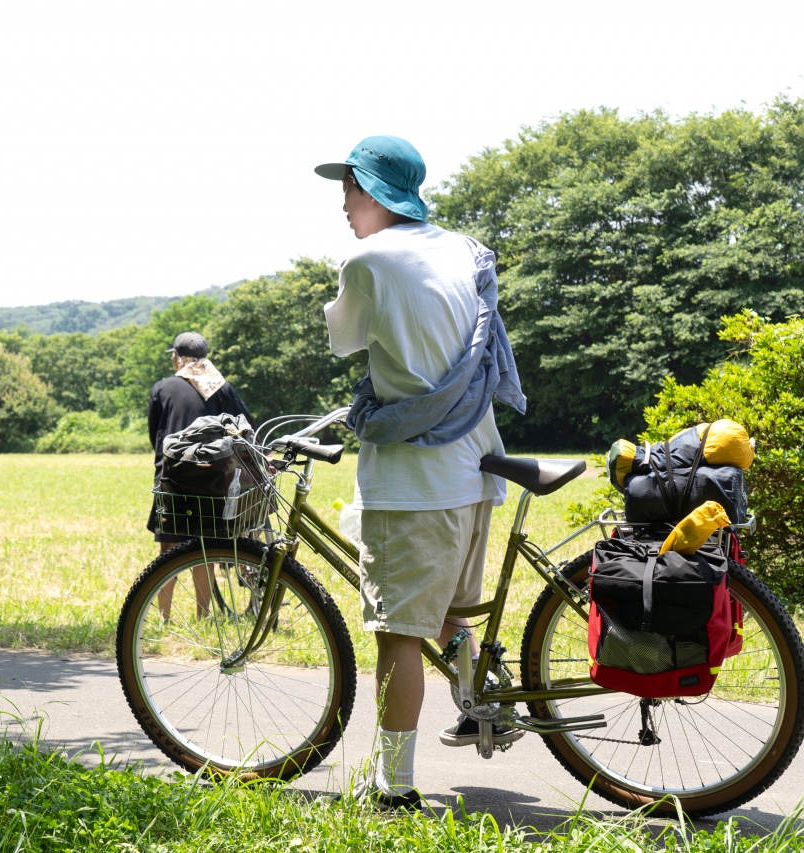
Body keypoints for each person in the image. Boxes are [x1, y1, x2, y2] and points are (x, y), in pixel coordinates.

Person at [314, 135, 527, 810]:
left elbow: (345, 340)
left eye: (349, 190)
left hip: (413, 484)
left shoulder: (368, 259)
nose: (344, 205)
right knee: (443, 613)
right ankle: (481, 701)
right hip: (474, 470)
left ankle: (393, 788)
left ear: (375, 191)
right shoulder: (464, 248)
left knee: (399, 635)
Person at [146, 331, 252, 617]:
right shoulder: (222, 388)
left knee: (168, 550)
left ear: (178, 358)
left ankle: (163, 617)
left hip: (173, 477)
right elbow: (245, 426)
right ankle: (203, 615)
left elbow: (154, 435)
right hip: (213, 480)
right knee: (204, 548)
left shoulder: (164, 388)